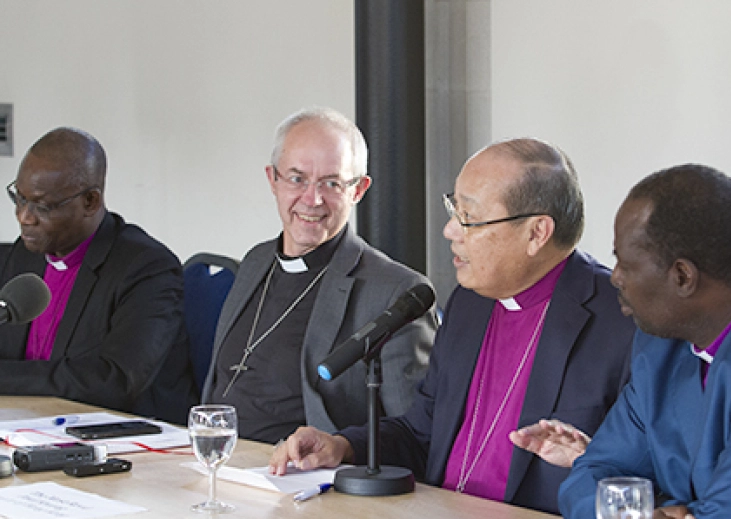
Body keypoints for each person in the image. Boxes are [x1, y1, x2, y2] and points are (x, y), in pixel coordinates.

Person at [269, 137, 636, 514]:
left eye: (469, 218)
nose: (450, 231)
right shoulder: (471, 302)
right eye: (453, 209)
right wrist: (342, 446)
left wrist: (591, 458)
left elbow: (646, 477)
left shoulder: (622, 322)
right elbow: (421, 433)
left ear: (537, 233)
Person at [559, 164, 731, 519]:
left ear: (683, 276)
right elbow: (592, 475)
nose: (616, 278)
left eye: (625, 263)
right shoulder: (661, 337)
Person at [202, 107, 437, 444]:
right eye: (297, 179)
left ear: (358, 190)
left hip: (304, 480)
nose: (312, 200)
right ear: (273, 179)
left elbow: (414, 434)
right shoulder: (257, 261)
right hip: (217, 462)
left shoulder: (395, 291)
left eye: (331, 183)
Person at [0, 127, 196, 424]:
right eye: (20, 199)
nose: (24, 217)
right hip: (28, 426)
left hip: (124, 440)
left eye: (41, 206)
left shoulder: (146, 267)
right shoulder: (25, 253)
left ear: (90, 202)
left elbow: (116, 380)